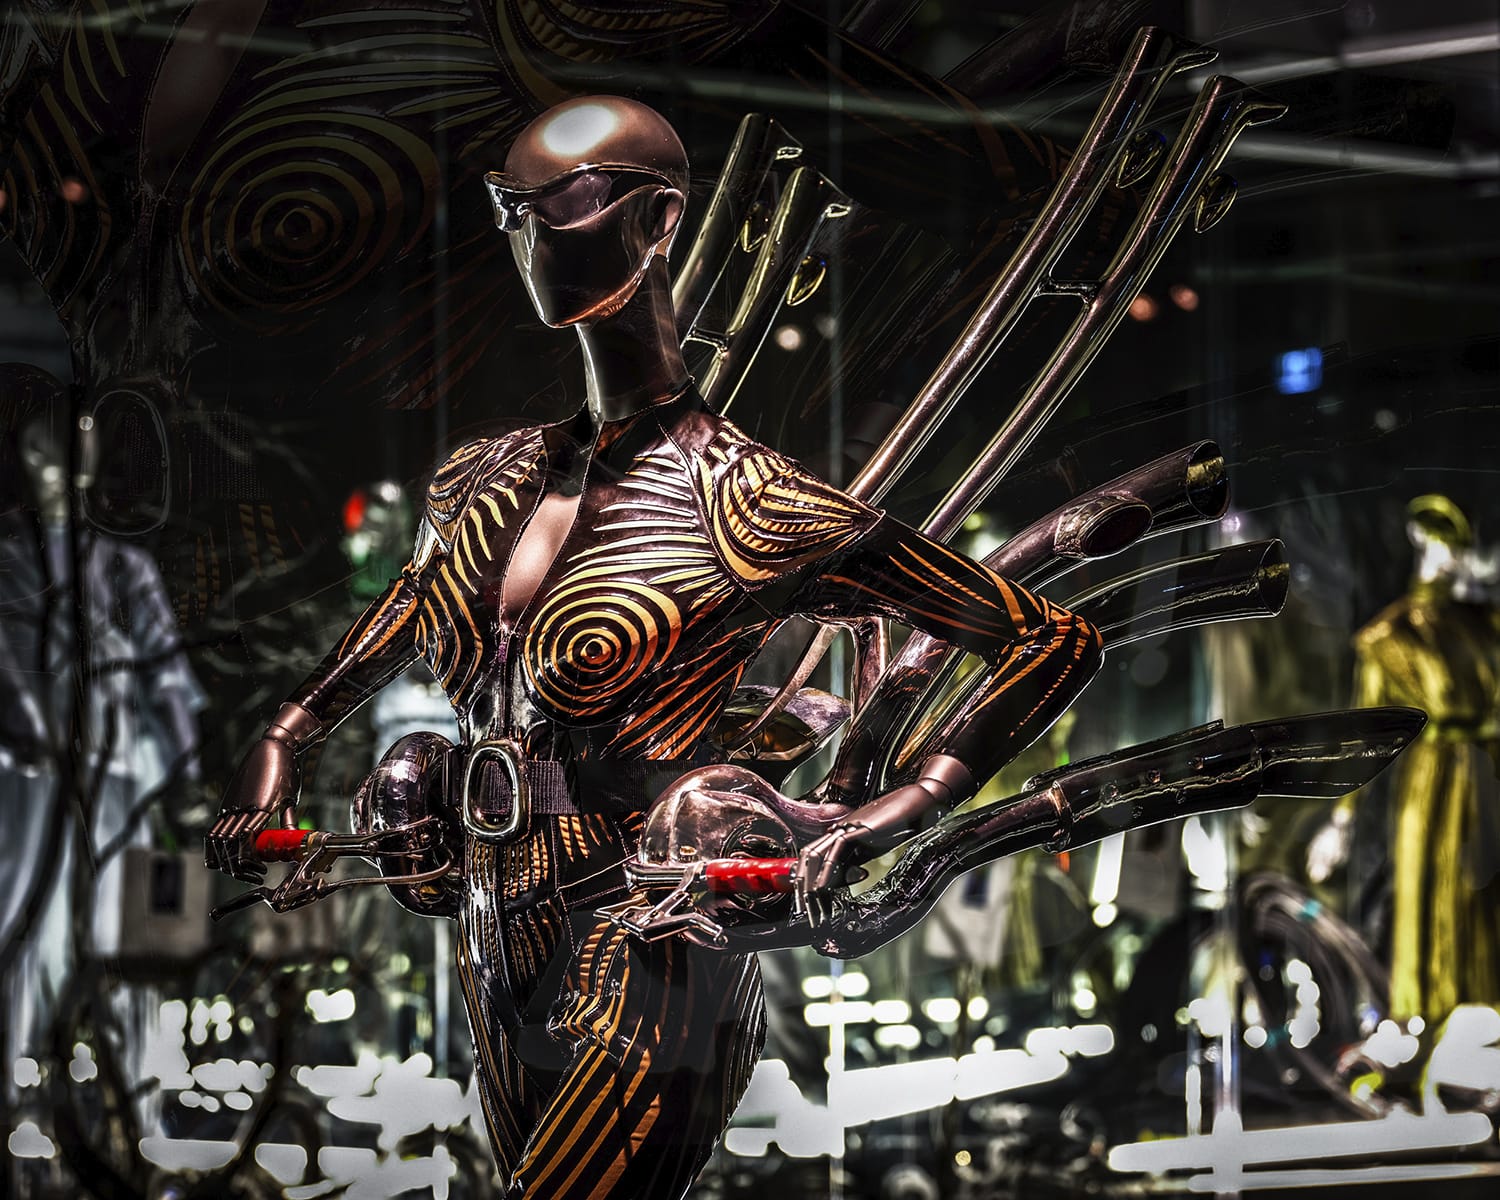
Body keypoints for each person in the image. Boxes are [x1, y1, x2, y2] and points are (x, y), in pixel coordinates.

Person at [206, 96, 1102, 1199]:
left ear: (659, 220)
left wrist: (892, 814)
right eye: (510, 209)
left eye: (566, 203)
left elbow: (1045, 639)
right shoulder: (479, 485)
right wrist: (278, 760)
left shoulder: (750, 505)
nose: (531, 235)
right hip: (492, 932)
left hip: (655, 934)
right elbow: (342, 675)